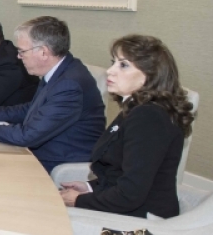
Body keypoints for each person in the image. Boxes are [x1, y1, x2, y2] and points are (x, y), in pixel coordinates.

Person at [60, 35, 194, 218]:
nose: (110, 71)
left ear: (149, 76)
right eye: (113, 63)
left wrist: (79, 200)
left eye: (123, 65)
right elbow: (121, 175)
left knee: (49, 221)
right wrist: (89, 187)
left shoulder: (148, 117)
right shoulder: (136, 109)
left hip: (141, 225)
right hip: (128, 212)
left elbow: (130, 194)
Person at [0, 16, 105, 172]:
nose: (18, 56)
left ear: (43, 52)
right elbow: (31, 108)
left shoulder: (69, 85)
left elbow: (27, 136)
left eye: (22, 51)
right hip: (39, 153)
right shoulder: (59, 70)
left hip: (57, 163)